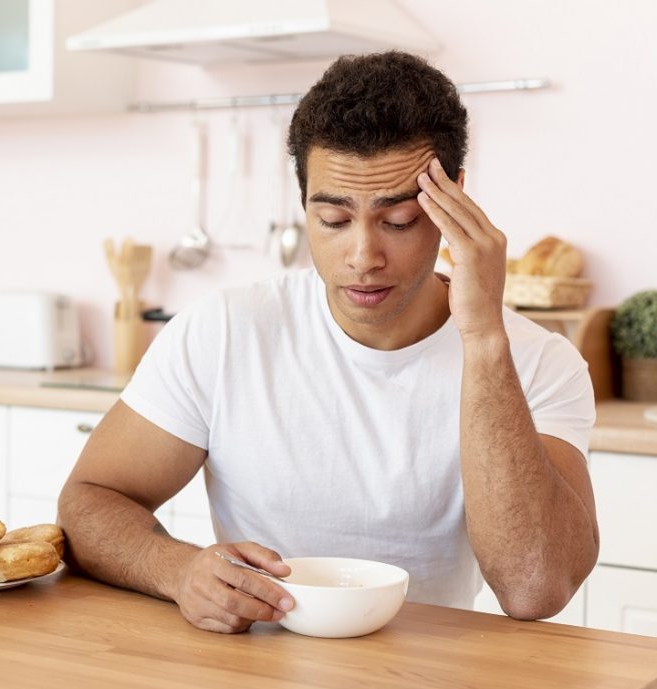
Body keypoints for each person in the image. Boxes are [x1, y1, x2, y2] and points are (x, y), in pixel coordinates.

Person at [58, 51, 599, 634]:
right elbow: (89, 500)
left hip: (433, 684)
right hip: (250, 670)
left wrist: (484, 336)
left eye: (398, 221)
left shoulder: (539, 361)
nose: (363, 258)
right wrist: (176, 569)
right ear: (303, 206)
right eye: (334, 221)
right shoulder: (222, 332)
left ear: (454, 203)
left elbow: (535, 588)